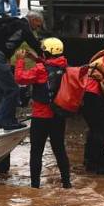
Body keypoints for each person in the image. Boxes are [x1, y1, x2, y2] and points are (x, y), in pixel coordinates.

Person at [13, 38, 72, 188]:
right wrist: (37, 59)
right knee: (59, 150)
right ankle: (67, 184)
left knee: (36, 152)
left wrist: (20, 61)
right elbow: (51, 65)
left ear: (46, 52)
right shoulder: (65, 66)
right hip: (58, 116)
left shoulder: (40, 69)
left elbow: (20, 78)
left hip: (41, 117)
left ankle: (35, 186)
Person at [0, 11, 44, 130]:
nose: (37, 29)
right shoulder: (24, 27)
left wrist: (7, 58)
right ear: (33, 20)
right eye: (38, 25)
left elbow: (5, 42)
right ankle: (4, 121)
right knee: (12, 90)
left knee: (5, 91)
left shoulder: (15, 22)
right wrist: (47, 58)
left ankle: (5, 119)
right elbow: (35, 45)